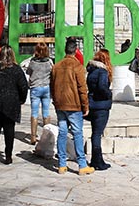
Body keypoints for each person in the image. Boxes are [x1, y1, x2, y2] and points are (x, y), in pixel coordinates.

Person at [50, 38, 94, 175]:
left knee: (62, 133)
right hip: (74, 105)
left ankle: (62, 164)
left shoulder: (56, 66)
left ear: (65, 50)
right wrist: (85, 105)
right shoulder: (77, 67)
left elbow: (52, 86)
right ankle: (82, 164)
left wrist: (55, 100)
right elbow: (82, 88)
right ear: (75, 51)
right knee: (77, 133)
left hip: (60, 104)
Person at [0, 45, 29, 164]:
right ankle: (8, 156)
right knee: (9, 131)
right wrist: (22, 99)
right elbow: (23, 87)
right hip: (11, 103)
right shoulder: (17, 70)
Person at [86, 49, 113, 171]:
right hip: (101, 105)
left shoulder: (91, 71)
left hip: (92, 104)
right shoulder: (102, 71)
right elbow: (102, 86)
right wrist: (109, 94)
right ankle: (97, 161)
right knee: (97, 134)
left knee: (95, 133)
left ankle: (96, 159)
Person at [26, 41, 53, 144]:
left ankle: (33, 137)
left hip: (35, 88)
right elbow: (52, 72)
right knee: (46, 113)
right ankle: (47, 137)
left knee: (34, 113)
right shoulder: (49, 62)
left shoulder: (32, 62)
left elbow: (28, 72)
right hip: (46, 87)